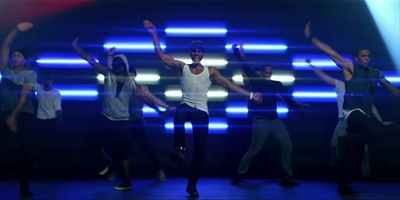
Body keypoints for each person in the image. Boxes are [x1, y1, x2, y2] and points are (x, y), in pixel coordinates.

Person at [144, 19, 262, 198]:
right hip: (186, 106)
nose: (196, 53)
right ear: (190, 54)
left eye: (199, 51)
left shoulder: (211, 71)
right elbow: (160, 54)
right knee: (179, 112)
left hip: (201, 112)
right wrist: (154, 33)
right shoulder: (182, 67)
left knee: (200, 152)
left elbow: (228, 84)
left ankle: (192, 185)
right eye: (193, 51)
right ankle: (180, 149)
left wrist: (251, 95)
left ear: (203, 54)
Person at [305, 22, 400, 195]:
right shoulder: (351, 68)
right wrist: (312, 38)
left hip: (364, 114)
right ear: (357, 58)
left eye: (368, 56)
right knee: (371, 134)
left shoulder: (375, 73)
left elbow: (391, 89)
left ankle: (344, 184)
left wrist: (382, 116)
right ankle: (345, 141)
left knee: (356, 156)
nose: (366, 58)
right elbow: (331, 52)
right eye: (363, 56)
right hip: (352, 113)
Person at [231, 44, 306, 187]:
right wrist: (238, 53)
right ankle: (239, 174)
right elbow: (246, 67)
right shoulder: (256, 82)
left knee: (287, 147)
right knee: (254, 150)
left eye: (269, 72)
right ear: (261, 73)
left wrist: (298, 109)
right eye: (265, 72)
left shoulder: (276, 84)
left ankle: (286, 176)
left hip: (275, 121)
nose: (267, 74)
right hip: (260, 122)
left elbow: (287, 98)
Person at [306, 60, 394, 176]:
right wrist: (311, 65)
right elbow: (325, 77)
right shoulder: (340, 84)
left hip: (359, 118)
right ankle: (336, 168)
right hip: (344, 119)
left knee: (363, 146)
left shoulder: (360, 86)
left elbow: (371, 105)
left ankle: (364, 172)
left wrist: (380, 120)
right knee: (335, 144)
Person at [0, 21, 36, 198]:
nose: (15, 58)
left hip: (23, 115)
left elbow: (24, 96)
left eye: (19, 56)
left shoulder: (30, 74)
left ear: (25, 59)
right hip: (5, 113)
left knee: (25, 153)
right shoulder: (5, 70)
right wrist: (15, 29)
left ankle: (24, 188)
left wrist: (13, 117)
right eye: (14, 55)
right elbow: (5, 45)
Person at [34, 78, 63, 170]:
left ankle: (47, 164)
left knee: (47, 142)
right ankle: (46, 164)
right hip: (45, 119)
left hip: (49, 119)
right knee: (44, 143)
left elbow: (58, 108)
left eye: (49, 80)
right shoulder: (40, 89)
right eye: (46, 80)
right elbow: (58, 108)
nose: (47, 81)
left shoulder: (54, 92)